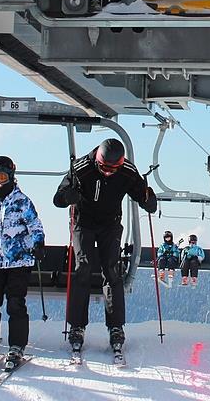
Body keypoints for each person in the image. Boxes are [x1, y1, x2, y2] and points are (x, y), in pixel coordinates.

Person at [52, 137, 157, 357]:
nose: (108, 172)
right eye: (104, 168)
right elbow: (58, 198)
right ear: (98, 161)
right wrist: (67, 197)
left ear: (120, 164)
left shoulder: (127, 171)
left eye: (113, 169)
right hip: (83, 222)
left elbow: (142, 193)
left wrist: (148, 200)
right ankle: (77, 326)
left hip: (110, 223)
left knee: (111, 270)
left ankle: (115, 327)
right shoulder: (81, 168)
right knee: (83, 268)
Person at [0, 155, 45, 370]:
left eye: (1, 177)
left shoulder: (22, 201)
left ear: (11, 177)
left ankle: (16, 345)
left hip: (19, 261)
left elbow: (35, 225)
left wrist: (38, 243)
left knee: (15, 303)